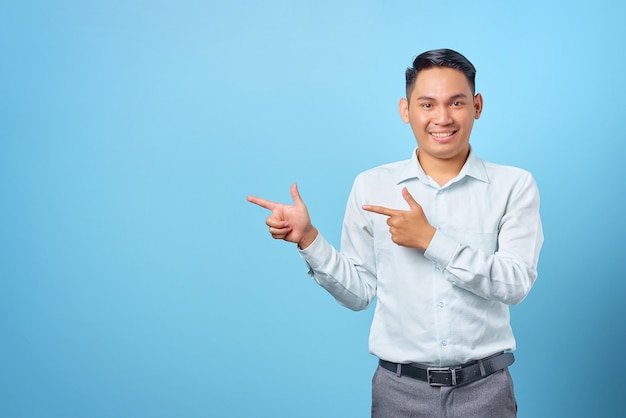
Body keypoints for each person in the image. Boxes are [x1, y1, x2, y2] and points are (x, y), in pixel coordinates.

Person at [247, 48, 543, 417]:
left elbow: (514, 284)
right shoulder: (372, 186)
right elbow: (358, 294)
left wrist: (431, 240)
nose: (443, 118)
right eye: (427, 105)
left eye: (456, 103)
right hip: (399, 393)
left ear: (477, 105)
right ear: (406, 110)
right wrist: (309, 239)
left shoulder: (513, 185)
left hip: (485, 392)